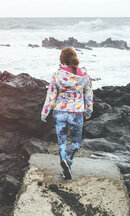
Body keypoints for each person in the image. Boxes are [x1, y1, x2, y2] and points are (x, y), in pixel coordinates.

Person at [41, 47, 93, 179]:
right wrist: (88, 110)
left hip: (60, 112)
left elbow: (51, 96)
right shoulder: (84, 75)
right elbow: (88, 95)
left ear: (61, 60)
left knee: (62, 141)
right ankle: (68, 160)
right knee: (76, 142)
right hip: (76, 112)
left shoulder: (57, 76)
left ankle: (65, 165)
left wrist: (44, 113)